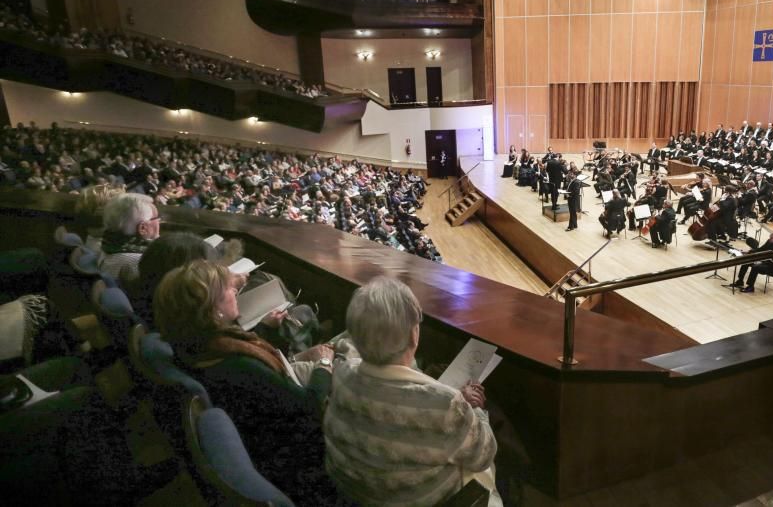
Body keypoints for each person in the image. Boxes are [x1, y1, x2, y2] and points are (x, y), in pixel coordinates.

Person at [154, 259, 335, 503]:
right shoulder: (238, 366)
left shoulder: (193, 345)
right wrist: (324, 364)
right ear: (212, 310)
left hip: (262, 429)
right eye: (228, 290)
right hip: (297, 451)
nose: (235, 291)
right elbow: (309, 405)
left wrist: (265, 329)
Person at [324, 277, 503, 506]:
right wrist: (472, 409)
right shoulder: (445, 406)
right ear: (413, 335)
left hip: (356, 495)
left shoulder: (342, 373)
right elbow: (484, 455)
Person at [98, 193, 161, 279]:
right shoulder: (141, 262)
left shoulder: (107, 244)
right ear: (143, 228)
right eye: (157, 218)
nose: (159, 222)